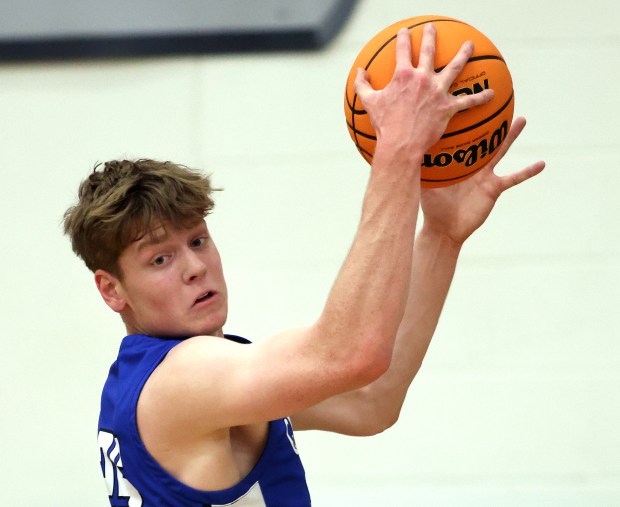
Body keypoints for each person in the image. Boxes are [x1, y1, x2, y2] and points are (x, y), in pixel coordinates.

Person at [64, 26, 544, 506]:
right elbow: (352, 354)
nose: (195, 267)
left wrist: (441, 236)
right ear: (112, 290)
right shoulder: (177, 379)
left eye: (198, 240)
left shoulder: (211, 377)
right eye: (161, 258)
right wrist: (399, 148)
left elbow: (370, 400)